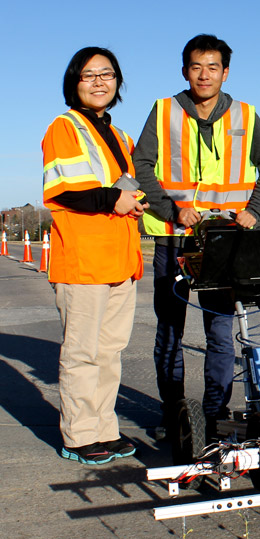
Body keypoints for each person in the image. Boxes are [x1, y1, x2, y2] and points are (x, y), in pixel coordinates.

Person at [133, 34, 260, 440]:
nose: (204, 74)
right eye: (197, 67)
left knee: (219, 328)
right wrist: (170, 208)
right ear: (185, 71)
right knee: (171, 328)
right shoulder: (163, 111)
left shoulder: (246, 115)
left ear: (225, 72)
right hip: (174, 237)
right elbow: (141, 165)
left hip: (222, 240)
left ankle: (214, 416)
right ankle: (174, 414)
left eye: (212, 67)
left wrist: (254, 211)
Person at [42, 47, 149, 465]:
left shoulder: (121, 136)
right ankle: (79, 434)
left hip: (120, 258)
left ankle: (104, 427)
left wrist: (133, 201)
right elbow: (63, 190)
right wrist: (113, 199)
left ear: (117, 81)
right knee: (82, 352)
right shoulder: (64, 127)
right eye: (89, 75)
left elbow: (127, 186)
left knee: (109, 351)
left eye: (107, 74)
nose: (100, 82)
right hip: (84, 259)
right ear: (74, 83)